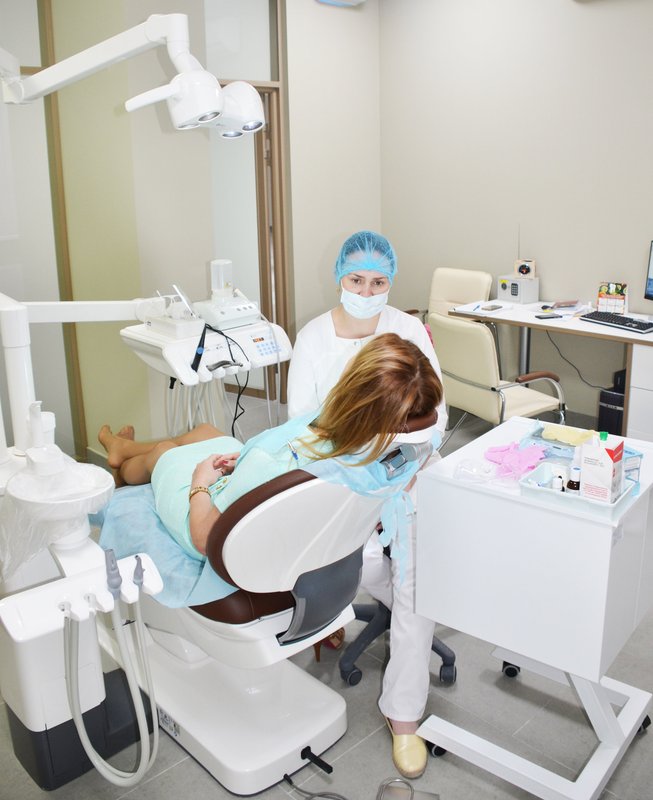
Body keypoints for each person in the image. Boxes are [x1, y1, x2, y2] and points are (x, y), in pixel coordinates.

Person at [287, 230, 447, 780]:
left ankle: (404, 715)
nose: (366, 291)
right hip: (342, 477)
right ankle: (340, 612)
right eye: (356, 280)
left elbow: (437, 410)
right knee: (362, 563)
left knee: (415, 583)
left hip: (407, 472)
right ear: (340, 275)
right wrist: (356, 471)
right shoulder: (313, 338)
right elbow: (302, 427)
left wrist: (410, 465)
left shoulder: (406, 329)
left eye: (379, 282)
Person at [99, 333, 442, 567]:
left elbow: (205, 538)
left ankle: (122, 470)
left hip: (204, 528)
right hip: (259, 481)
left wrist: (201, 482)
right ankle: (124, 446)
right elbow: (285, 456)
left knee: (164, 452)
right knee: (204, 432)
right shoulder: (391, 456)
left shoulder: (270, 463)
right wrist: (247, 461)